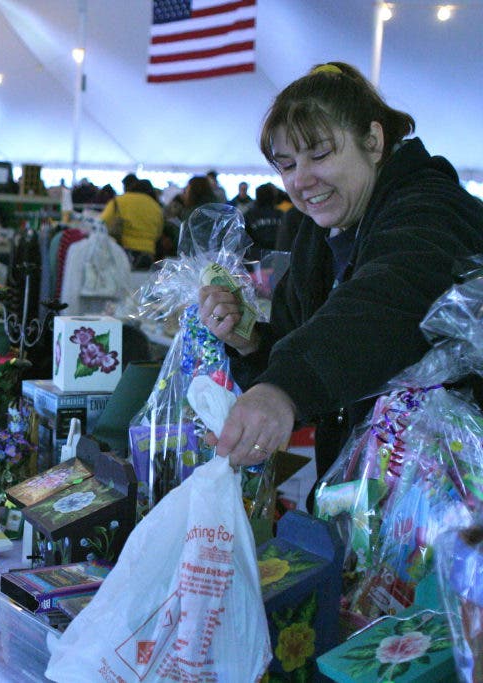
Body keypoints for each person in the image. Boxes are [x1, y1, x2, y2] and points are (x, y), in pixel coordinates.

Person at [198, 61, 483, 484]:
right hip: (365, 491)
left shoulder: (431, 208)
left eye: (320, 154)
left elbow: (388, 298)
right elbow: (301, 339)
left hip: (449, 493)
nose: (302, 179)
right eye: (287, 164)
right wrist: (250, 341)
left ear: (373, 140)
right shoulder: (321, 235)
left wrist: (285, 388)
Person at [99, 174, 164, 269]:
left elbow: (103, 222)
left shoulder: (118, 201)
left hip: (122, 251)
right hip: (147, 254)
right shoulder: (155, 206)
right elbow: (158, 232)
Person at [243, 182, 284, 253]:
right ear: (273, 197)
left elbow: (244, 238)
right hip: (278, 253)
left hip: (255, 255)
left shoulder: (249, 215)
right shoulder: (281, 214)